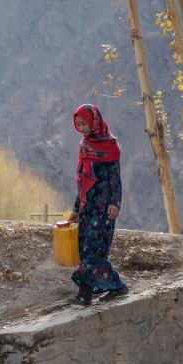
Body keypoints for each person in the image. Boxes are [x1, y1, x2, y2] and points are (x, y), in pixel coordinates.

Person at [67, 104, 128, 305]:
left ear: (94, 121)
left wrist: (115, 203)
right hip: (88, 206)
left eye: (84, 123)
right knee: (86, 249)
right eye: (78, 124)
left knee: (94, 248)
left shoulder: (109, 145)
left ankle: (84, 294)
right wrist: (77, 208)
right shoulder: (85, 145)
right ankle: (117, 287)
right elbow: (83, 180)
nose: (82, 127)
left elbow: (115, 178)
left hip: (104, 207)